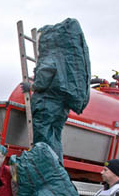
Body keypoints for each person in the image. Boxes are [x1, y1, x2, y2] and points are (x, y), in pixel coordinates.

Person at [22, 18, 90, 163]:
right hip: (61, 106)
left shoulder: (50, 55)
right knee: (55, 138)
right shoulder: (65, 57)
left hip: (46, 104)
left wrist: (32, 87)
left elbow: (44, 77)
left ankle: (46, 165)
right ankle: (56, 165)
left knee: (43, 139)